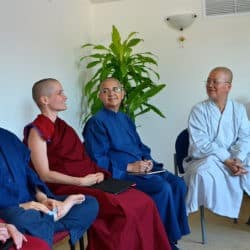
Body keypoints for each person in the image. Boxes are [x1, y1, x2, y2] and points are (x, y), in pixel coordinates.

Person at [24, 78, 171, 250]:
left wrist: (98, 172)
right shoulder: (37, 131)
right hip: (63, 185)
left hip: (88, 179)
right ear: (44, 99)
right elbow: (44, 174)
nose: (65, 97)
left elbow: (81, 159)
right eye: (60, 93)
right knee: (126, 209)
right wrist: (81, 182)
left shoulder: (62, 126)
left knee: (143, 201)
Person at [83, 77, 190, 248]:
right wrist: (129, 167)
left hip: (142, 168)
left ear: (123, 93)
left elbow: (140, 146)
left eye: (116, 89)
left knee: (178, 184)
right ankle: (161, 242)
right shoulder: (96, 123)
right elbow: (98, 159)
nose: (111, 94)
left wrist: (147, 160)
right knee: (161, 188)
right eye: (106, 91)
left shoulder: (125, 118)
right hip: (121, 174)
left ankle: (169, 237)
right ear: (100, 96)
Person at [0, 127, 98, 249]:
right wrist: (23, 206)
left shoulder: (8, 137)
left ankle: (45, 223)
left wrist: (43, 198)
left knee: (89, 203)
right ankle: (53, 217)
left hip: (35, 205)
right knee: (21, 219)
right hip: (10, 211)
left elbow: (29, 174)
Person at [182, 66, 250, 218]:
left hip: (234, 158)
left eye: (215, 81)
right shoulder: (198, 110)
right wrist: (226, 160)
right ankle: (185, 213)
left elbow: (245, 137)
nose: (210, 85)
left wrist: (237, 159)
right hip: (206, 157)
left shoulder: (238, 109)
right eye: (208, 81)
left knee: (246, 164)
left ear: (228, 86)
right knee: (203, 171)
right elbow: (201, 144)